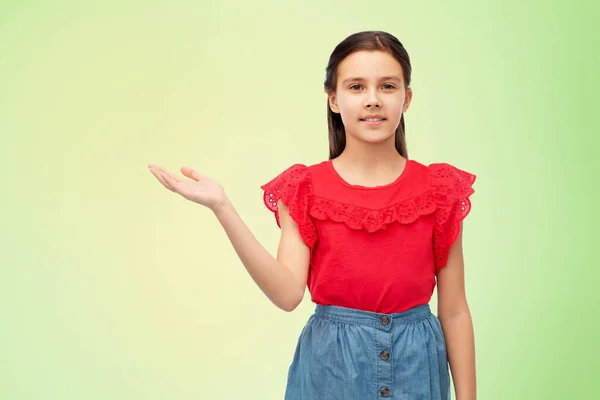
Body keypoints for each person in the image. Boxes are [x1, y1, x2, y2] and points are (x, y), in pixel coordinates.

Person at [148, 30, 477, 400]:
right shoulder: (306, 188)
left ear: (407, 98)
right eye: (356, 87)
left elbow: (454, 311)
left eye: (387, 86)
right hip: (330, 371)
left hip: (417, 369)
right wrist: (222, 206)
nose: (372, 100)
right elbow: (287, 293)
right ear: (334, 99)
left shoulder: (439, 190)